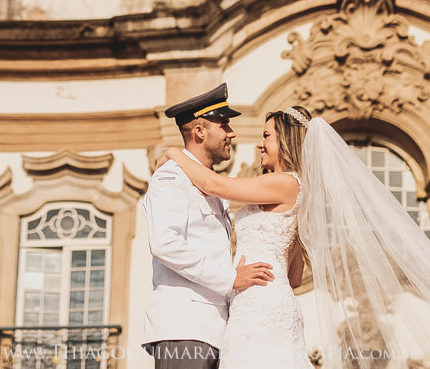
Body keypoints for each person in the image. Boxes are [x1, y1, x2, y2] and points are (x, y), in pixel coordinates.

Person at [162, 105, 430, 369]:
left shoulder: (286, 182)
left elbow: (214, 185)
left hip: (260, 307)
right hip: (267, 301)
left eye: (267, 136)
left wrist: (175, 153)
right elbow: (294, 277)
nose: (259, 145)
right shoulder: (295, 188)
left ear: (286, 140)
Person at [142, 83, 275, 367]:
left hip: (215, 329)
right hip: (184, 326)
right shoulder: (171, 177)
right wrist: (230, 279)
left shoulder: (206, 179)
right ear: (200, 131)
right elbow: (164, 243)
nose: (232, 133)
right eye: (224, 125)